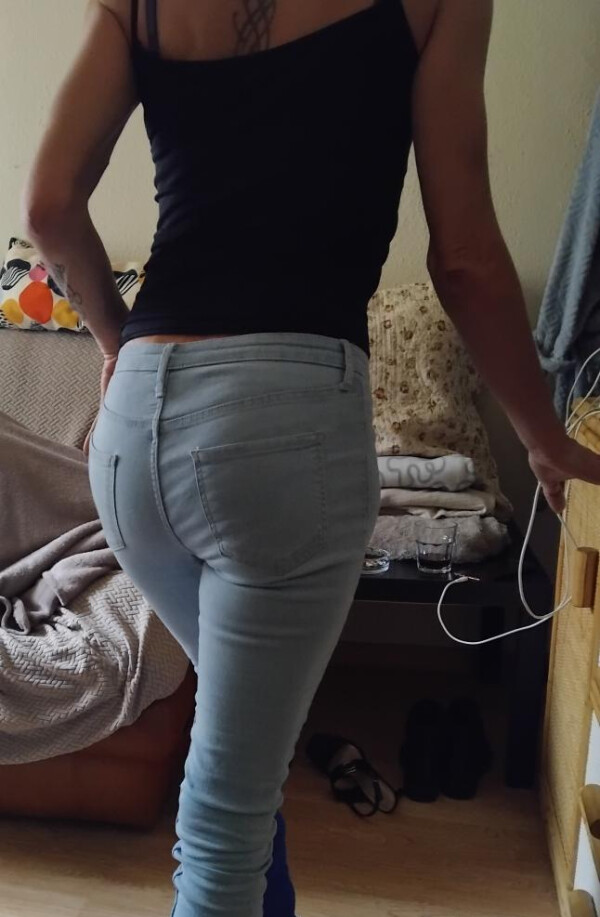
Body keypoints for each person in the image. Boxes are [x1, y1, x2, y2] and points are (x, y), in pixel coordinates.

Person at [22, 1, 600, 914]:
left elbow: (48, 205)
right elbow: (464, 261)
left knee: (245, 758)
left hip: (134, 433)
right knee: (226, 825)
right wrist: (544, 439)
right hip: (282, 428)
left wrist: (113, 339)